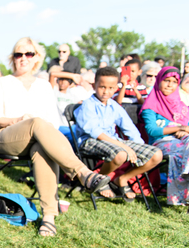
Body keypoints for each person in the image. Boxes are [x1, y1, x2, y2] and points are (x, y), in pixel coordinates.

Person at [0, 37, 111, 237]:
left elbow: (53, 122)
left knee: (42, 148)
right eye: (19, 54)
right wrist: (19, 120)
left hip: (37, 139)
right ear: (13, 58)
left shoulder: (44, 85)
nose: (23, 58)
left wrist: (37, 127)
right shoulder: (3, 82)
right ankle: (82, 173)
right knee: (36, 122)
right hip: (5, 137)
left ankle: (49, 217)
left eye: (29, 54)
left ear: (36, 58)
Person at [75, 67, 162, 201]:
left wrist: (138, 147)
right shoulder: (88, 105)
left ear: (116, 88)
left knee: (156, 155)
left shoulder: (114, 105)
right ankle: (98, 180)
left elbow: (129, 128)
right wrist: (125, 147)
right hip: (89, 141)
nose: (106, 91)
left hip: (113, 141)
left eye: (111, 88)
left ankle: (122, 179)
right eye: (102, 87)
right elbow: (95, 132)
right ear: (94, 86)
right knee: (121, 154)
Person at [140, 67, 189, 205]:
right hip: (161, 142)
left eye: (174, 82)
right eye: (166, 80)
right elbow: (152, 130)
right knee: (182, 152)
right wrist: (179, 128)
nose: (170, 85)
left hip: (184, 141)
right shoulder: (151, 105)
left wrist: (185, 131)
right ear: (159, 81)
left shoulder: (181, 106)